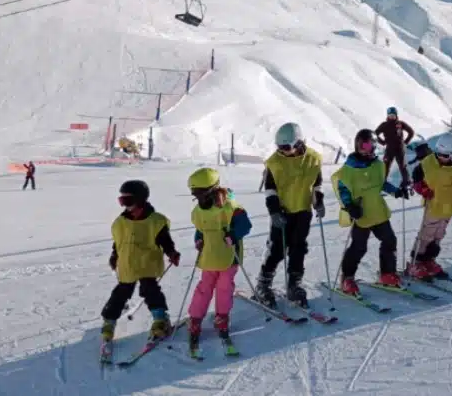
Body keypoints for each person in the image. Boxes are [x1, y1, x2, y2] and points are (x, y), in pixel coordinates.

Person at [101, 181, 180, 343]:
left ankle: (160, 318)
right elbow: (118, 242)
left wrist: (171, 252)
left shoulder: (156, 221)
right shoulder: (120, 222)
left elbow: (165, 240)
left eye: (128, 201)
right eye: (122, 201)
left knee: (150, 290)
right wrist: (114, 256)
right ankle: (109, 321)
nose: (125, 205)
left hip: (147, 264)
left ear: (140, 199)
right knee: (120, 293)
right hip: (127, 265)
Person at [255, 122, 324, 308]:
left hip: (303, 211)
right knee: (277, 249)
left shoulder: (314, 159)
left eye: (286, 147)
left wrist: (318, 200)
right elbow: (270, 190)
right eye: (279, 147)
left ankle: (294, 284)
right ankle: (263, 283)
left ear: (299, 142)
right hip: (282, 212)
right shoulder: (274, 163)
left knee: (298, 248)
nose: (282, 151)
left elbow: (317, 184)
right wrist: (274, 211)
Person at [333, 129, 410, 296]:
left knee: (390, 240)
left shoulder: (377, 165)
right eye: (363, 145)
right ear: (357, 145)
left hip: (378, 211)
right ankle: (347, 278)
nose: (366, 149)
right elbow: (342, 189)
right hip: (361, 214)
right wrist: (349, 206)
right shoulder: (349, 169)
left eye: (370, 145)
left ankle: (387, 274)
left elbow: (382, 183)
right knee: (359, 247)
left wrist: (396, 191)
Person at [186, 168, 252, 345]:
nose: (198, 197)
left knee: (224, 288)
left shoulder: (231, 207)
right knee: (204, 287)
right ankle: (195, 318)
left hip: (228, 257)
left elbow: (245, 225)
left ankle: (222, 317)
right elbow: (200, 228)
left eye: (200, 192)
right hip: (209, 256)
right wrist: (199, 239)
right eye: (195, 193)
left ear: (212, 189)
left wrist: (233, 235)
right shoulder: (199, 210)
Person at [407, 132, 452, 279]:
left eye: (446, 155)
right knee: (427, 234)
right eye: (438, 153)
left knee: (439, 234)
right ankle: (416, 262)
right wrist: (422, 189)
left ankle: (429, 260)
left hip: (450, 204)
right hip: (434, 204)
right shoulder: (427, 163)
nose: (441, 157)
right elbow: (416, 178)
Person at [374, 107, 415, 184]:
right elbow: (375, 134)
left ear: (396, 115)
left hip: (399, 149)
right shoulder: (384, 125)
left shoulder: (400, 124)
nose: (392, 116)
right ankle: (382, 183)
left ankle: (407, 183)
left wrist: (405, 142)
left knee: (402, 167)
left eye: (393, 115)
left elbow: (411, 132)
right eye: (390, 115)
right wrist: (382, 142)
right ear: (387, 115)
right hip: (389, 149)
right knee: (385, 166)